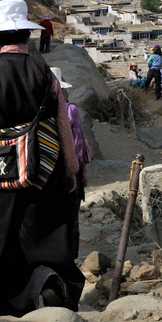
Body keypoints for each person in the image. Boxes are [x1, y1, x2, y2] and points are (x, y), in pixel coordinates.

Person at [0, 0, 85, 316]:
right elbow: (62, 125)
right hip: (47, 169)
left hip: (6, 170)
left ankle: (12, 306)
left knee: (8, 238)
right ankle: (52, 280)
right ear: (27, 36)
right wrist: (70, 169)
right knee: (49, 233)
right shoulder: (44, 72)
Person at [53, 67, 91, 259]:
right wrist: (82, 169)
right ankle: (70, 255)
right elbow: (77, 143)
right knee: (71, 215)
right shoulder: (70, 110)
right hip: (69, 169)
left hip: (45, 171)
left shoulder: (36, 111)